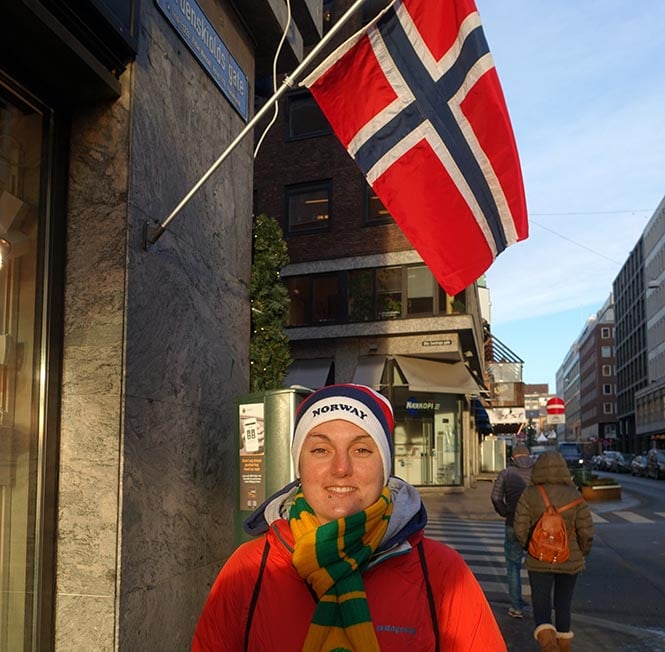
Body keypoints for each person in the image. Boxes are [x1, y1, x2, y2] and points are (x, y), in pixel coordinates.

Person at [193, 383, 507, 651]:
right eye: (320, 450)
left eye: (361, 450)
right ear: (299, 466)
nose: (341, 467)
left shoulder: (443, 574)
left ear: (385, 467)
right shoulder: (247, 569)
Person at [513, 451, 594, 652]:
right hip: (570, 559)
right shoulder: (575, 495)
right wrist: (582, 552)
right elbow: (586, 530)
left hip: (538, 559)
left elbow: (519, 528)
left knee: (541, 606)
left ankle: (549, 647)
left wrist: (529, 547)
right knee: (563, 604)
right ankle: (564, 647)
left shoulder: (529, 494)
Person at [490, 442, 535, 619]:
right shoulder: (537, 472)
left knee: (513, 565)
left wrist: (505, 511)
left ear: (513, 457)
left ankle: (516, 606)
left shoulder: (506, 473)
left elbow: (495, 497)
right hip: (534, 525)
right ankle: (538, 603)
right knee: (536, 566)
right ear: (529, 455)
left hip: (512, 522)